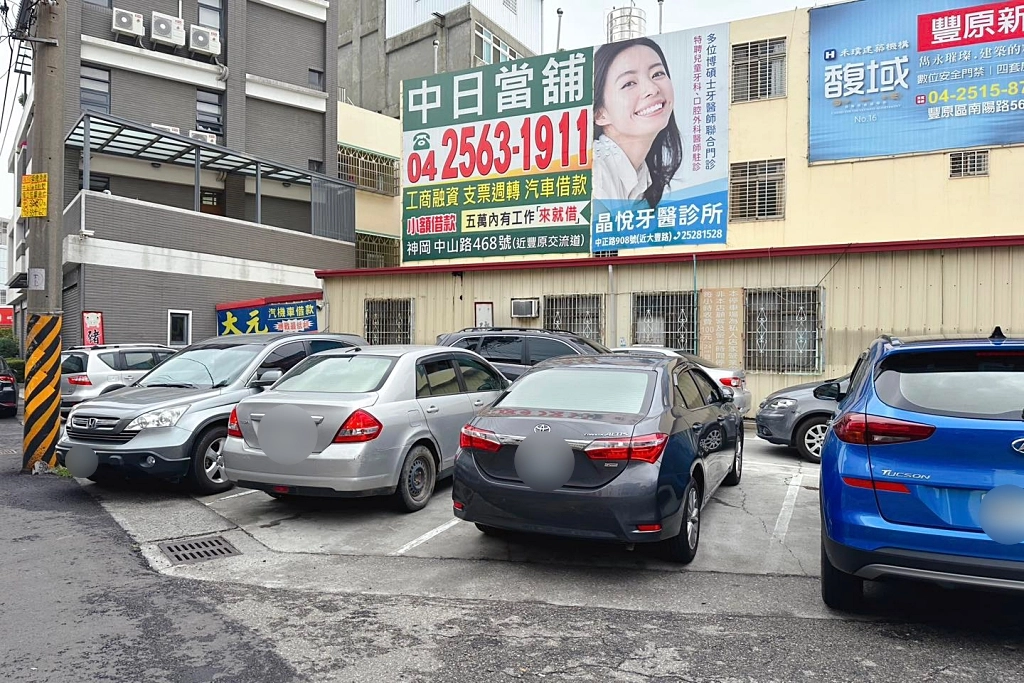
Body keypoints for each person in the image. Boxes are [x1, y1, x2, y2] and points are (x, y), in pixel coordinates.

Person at [592, 37, 684, 210]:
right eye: (629, 83)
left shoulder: (642, 175)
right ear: (600, 114)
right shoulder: (594, 171)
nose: (652, 89)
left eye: (657, 74)